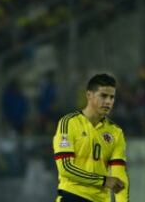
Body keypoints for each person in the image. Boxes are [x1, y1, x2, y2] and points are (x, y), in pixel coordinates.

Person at [53, 73, 129, 202]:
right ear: (89, 95)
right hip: (72, 196)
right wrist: (103, 181)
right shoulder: (69, 123)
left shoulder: (116, 132)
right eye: (103, 96)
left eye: (112, 97)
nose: (108, 102)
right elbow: (65, 168)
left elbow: (119, 175)